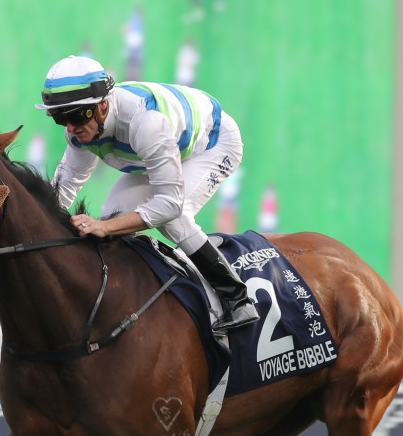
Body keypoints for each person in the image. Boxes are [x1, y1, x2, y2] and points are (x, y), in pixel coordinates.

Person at [35, 55, 258, 331]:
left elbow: (170, 204)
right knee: (113, 217)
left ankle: (237, 298)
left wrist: (105, 227)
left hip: (212, 145)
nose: (70, 127)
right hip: (158, 153)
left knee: (171, 219)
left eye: (76, 116)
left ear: (103, 106)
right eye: (60, 118)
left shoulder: (145, 123)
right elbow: (65, 188)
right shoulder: (79, 130)